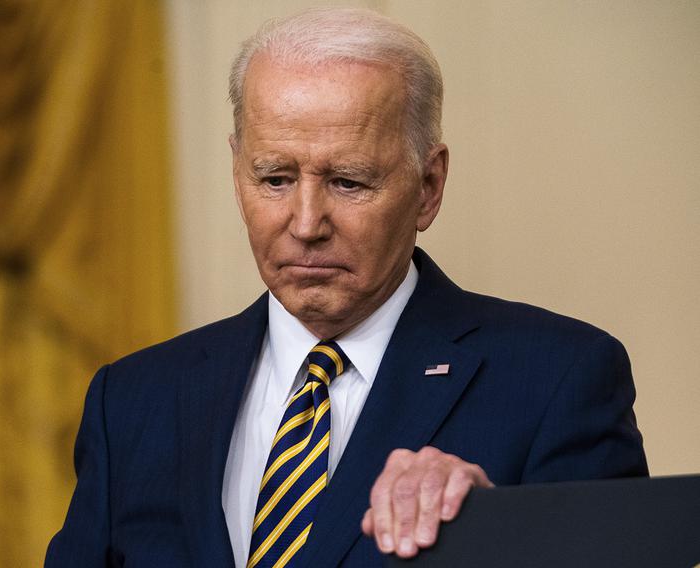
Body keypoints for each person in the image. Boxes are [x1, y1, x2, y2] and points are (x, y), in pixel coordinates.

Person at [45, 7, 646, 567]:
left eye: (349, 182)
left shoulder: (558, 380)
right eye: (275, 179)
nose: (306, 224)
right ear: (237, 173)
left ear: (429, 186)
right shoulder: (132, 401)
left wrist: (499, 535)